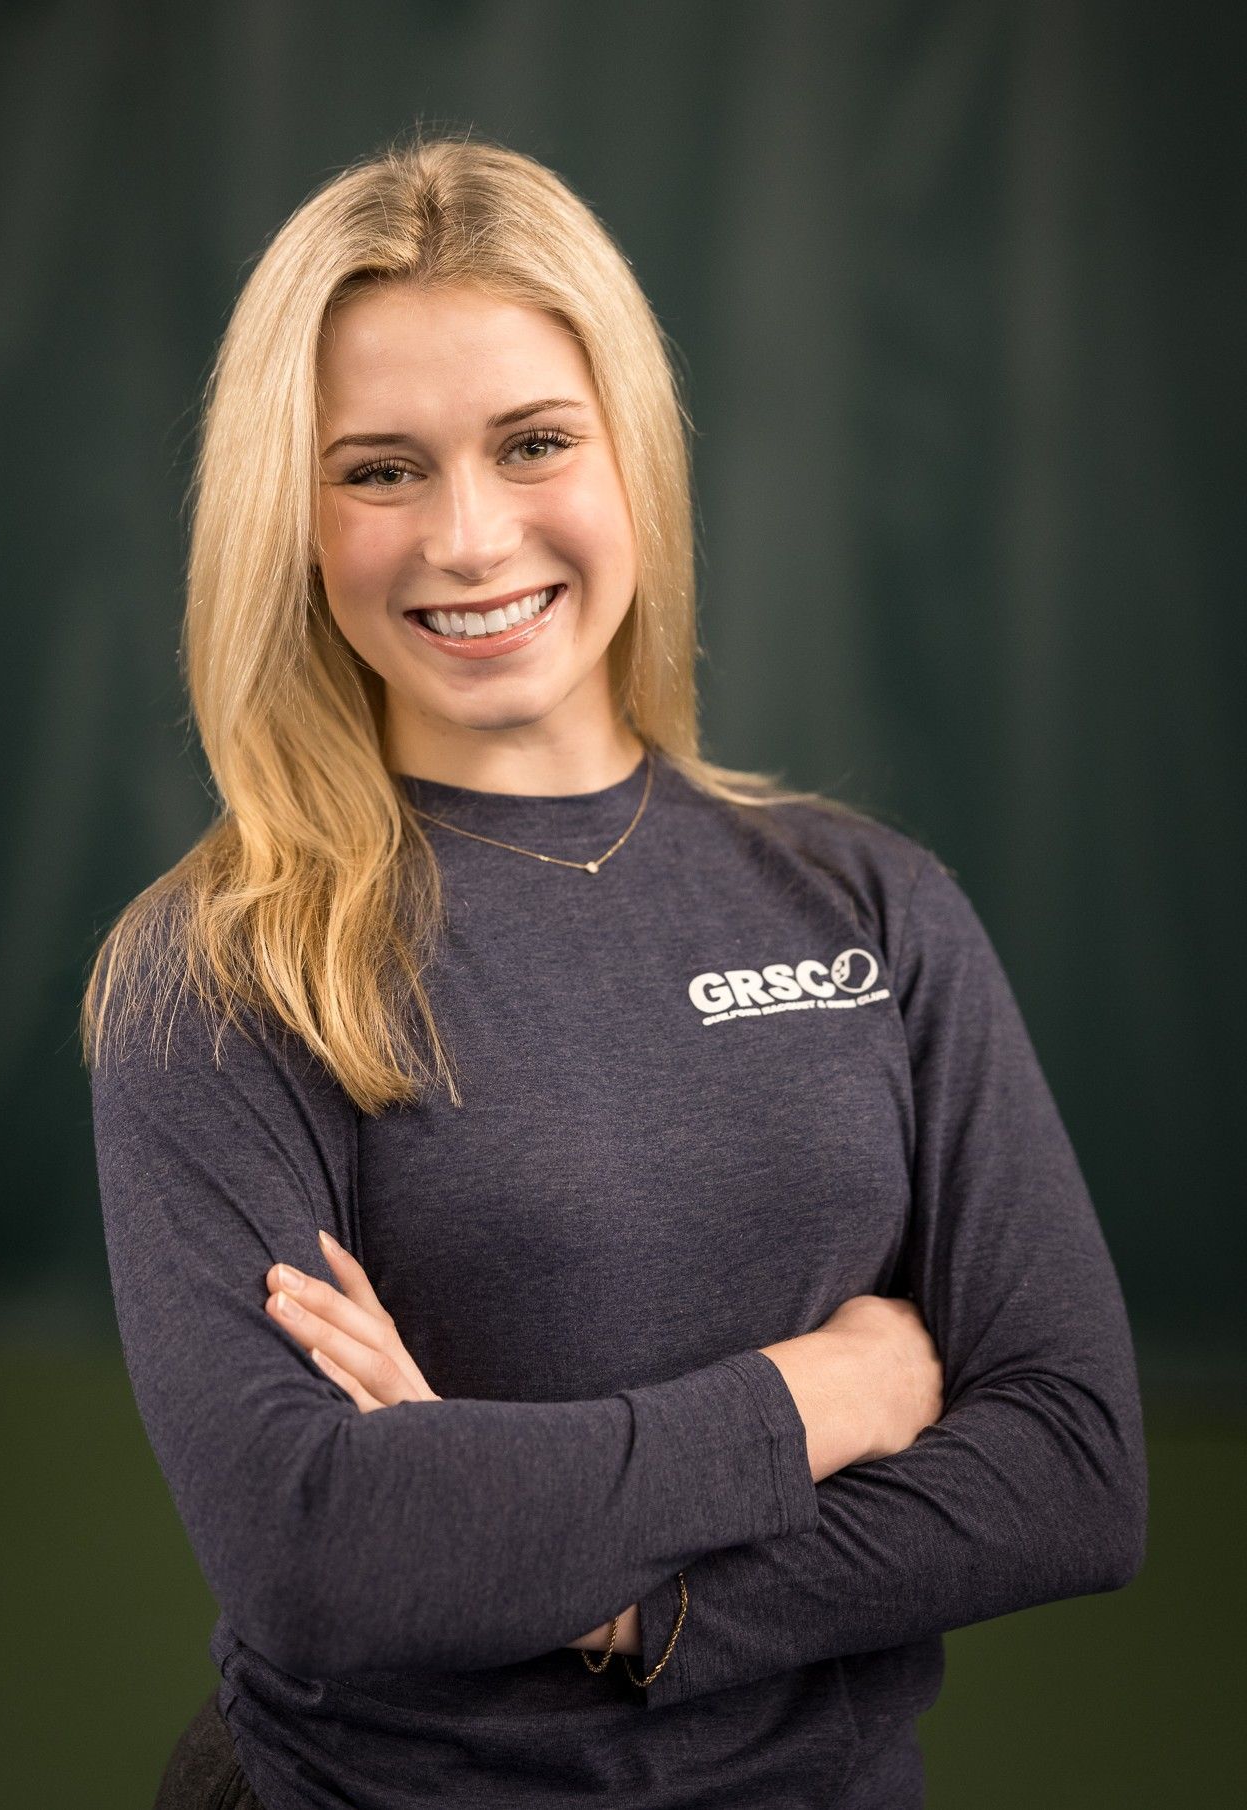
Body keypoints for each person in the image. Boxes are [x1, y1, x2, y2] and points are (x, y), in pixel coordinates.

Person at [81, 131, 1147, 1810]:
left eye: (532, 442)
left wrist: (621, 1595)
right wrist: (822, 1391)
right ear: (288, 513)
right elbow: (322, 1550)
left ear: (632, 451)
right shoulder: (221, 970)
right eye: (379, 469)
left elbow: (1071, 1469)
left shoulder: (872, 902)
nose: (469, 535)